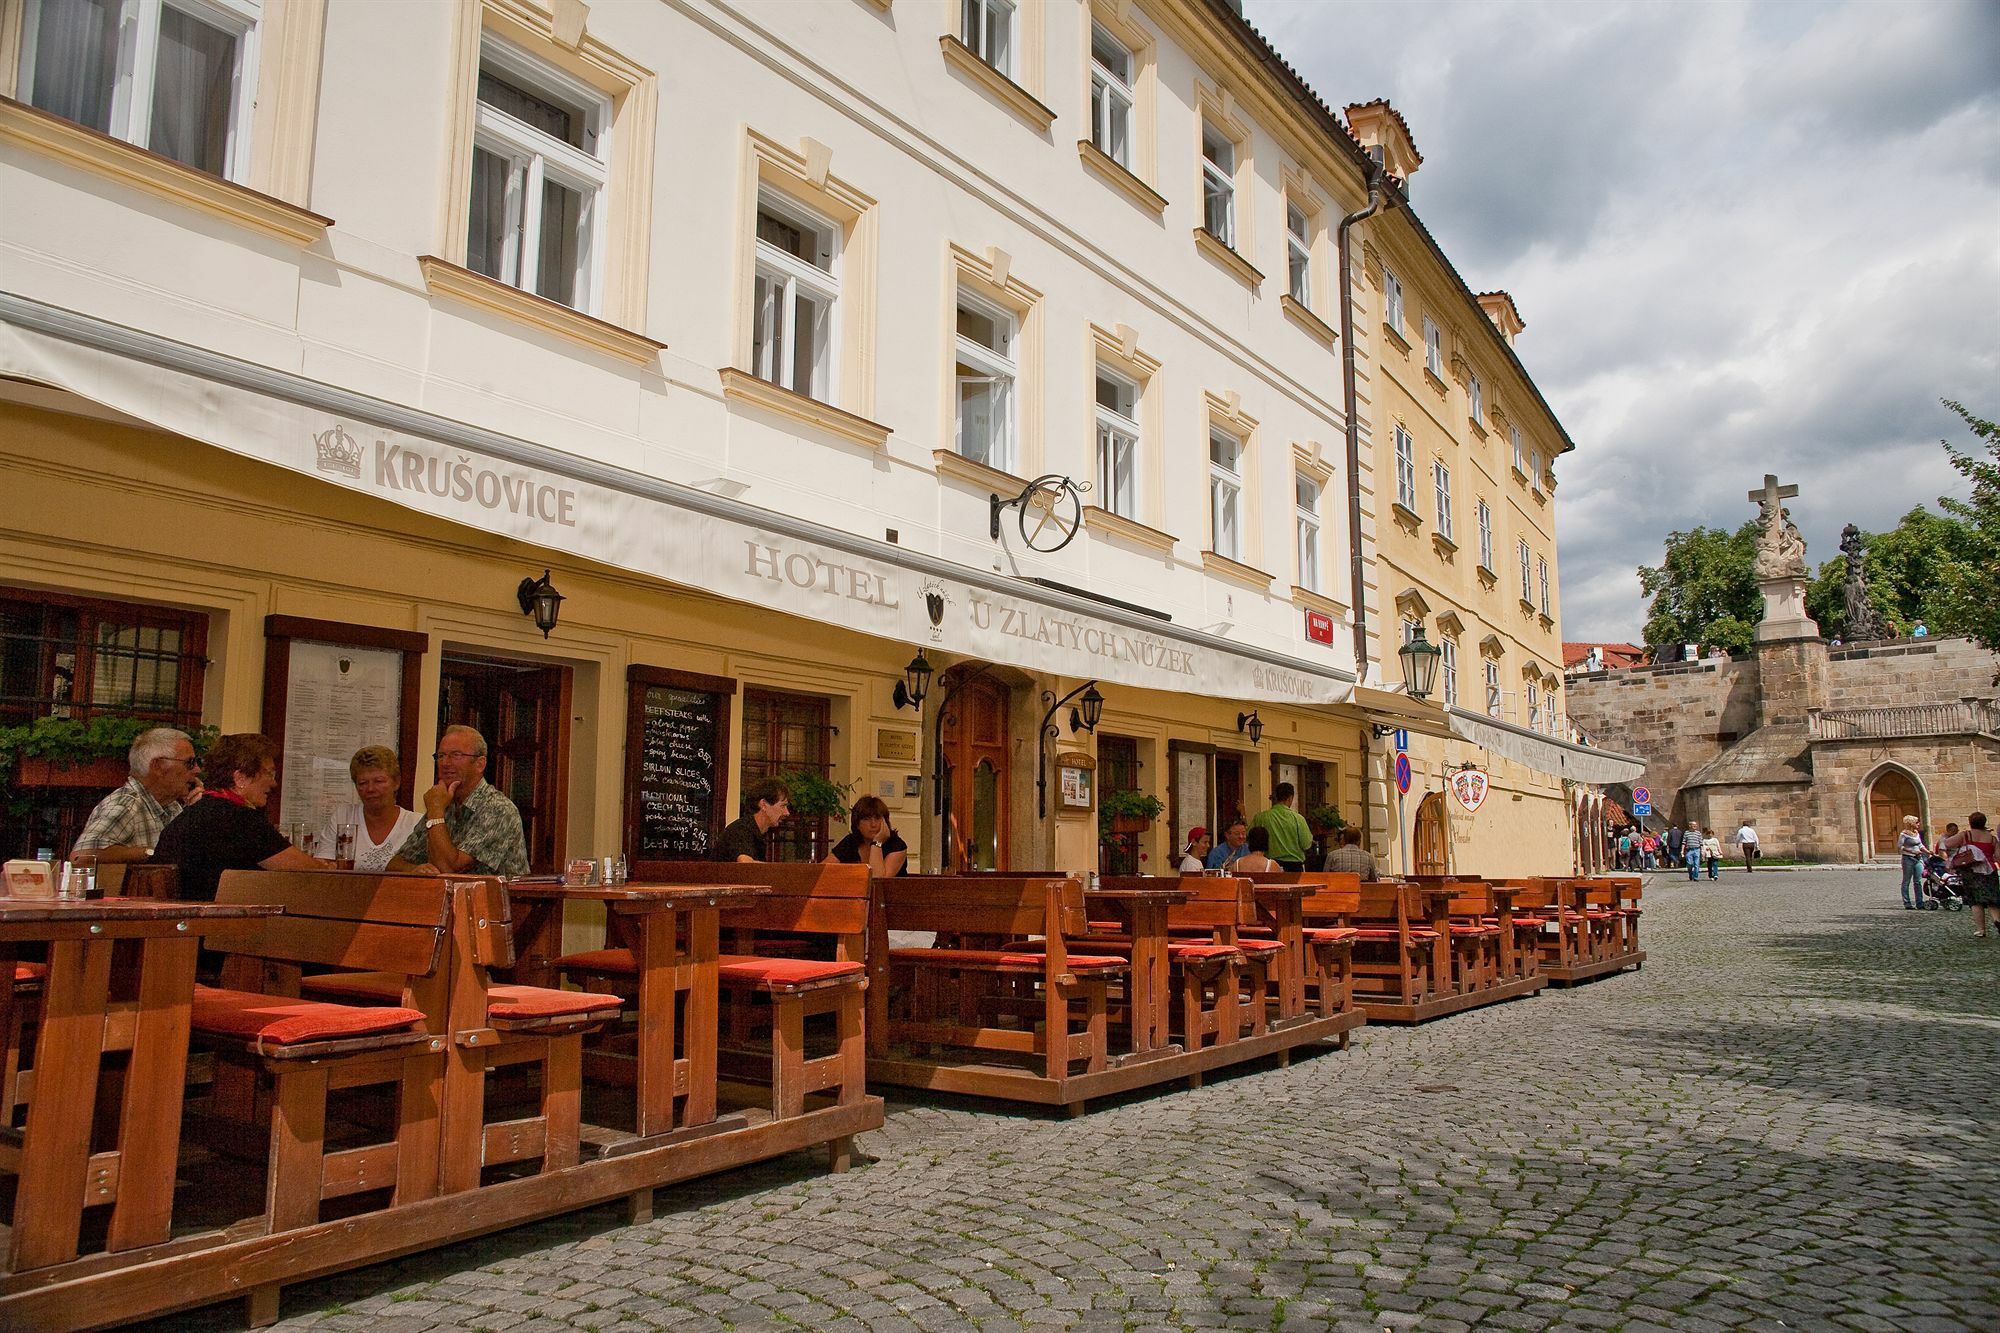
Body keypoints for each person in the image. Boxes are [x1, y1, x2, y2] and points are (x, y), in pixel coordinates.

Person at [151, 733, 324, 902]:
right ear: (240, 777)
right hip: (220, 923)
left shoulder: (195, 812)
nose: (274, 783)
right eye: (269, 774)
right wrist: (328, 867)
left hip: (183, 921)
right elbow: (308, 871)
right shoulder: (240, 819)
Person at [389, 725, 529, 876]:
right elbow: (394, 864)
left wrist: (436, 812)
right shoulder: (444, 802)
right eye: (441, 756)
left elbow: (450, 869)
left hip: (496, 898)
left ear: (480, 764)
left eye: (456, 755)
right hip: (447, 897)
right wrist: (415, 870)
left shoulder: (498, 808)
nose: (445, 763)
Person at [70, 726, 202, 866]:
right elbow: (81, 857)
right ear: (158, 766)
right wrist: (152, 853)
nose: (197, 770)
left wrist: (199, 811)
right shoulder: (126, 804)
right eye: (190, 763)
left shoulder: (172, 806)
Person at [317, 745, 423, 873]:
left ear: (396, 782)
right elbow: (322, 866)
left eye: (378, 781)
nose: (370, 789)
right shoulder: (342, 817)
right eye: (362, 783)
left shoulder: (417, 823)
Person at [1941, 812, 2000, 936]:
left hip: (1971, 871)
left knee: (1975, 901)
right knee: (1992, 900)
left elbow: (1947, 843)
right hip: (1989, 870)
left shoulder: (1966, 835)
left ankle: (1981, 929)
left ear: (1970, 822)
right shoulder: (1992, 838)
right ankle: (1997, 920)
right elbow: (1998, 856)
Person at [827, 794, 906, 877]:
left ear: (885, 822)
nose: (873, 824)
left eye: (877, 818)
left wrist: (877, 843)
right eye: (866, 819)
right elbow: (823, 870)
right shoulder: (851, 841)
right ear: (857, 824)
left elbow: (877, 879)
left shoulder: (896, 845)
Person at [715, 777, 790, 863]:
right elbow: (746, 864)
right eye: (783, 806)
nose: (787, 812)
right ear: (763, 805)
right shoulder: (741, 830)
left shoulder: (756, 831)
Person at [1250, 783, 1314, 873]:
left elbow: (1250, 837)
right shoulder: (1298, 818)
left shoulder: (1261, 817)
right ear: (1290, 798)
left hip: (1269, 865)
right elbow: (1306, 844)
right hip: (1294, 866)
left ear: (1275, 797)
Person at [1896, 814, 1929, 910]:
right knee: (1906, 881)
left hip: (1918, 858)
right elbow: (1900, 847)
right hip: (1908, 859)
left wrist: (1927, 851)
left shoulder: (1916, 833)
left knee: (1918, 881)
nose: (1918, 824)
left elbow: (1920, 845)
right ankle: (1907, 903)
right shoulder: (1904, 834)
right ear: (1911, 823)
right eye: (1916, 822)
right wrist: (1911, 851)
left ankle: (1920, 902)